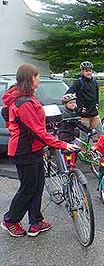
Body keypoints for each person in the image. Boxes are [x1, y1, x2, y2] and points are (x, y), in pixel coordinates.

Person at [1, 64, 77, 238]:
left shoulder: (27, 96)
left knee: (38, 186)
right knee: (27, 188)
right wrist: (62, 145)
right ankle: (10, 220)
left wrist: (43, 146)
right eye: (37, 76)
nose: (40, 79)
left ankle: (36, 222)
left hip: (33, 148)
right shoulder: (23, 102)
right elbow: (38, 131)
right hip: (23, 151)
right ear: (30, 79)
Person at [65, 61, 103, 135]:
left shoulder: (94, 81)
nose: (88, 73)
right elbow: (67, 96)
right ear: (82, 72)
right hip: (84, 116)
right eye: (86, 71)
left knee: (100, 135)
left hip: (94, 114)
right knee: (84, 138)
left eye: (90, 71)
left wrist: (97, 104)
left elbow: (96, 94)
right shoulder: (79, 82)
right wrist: (77, 109)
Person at [58, 93, 93, 169]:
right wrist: (89, 130)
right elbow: (79, 124)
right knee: (70, 153)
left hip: (70, 136)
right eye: (70, 103)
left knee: (73, 152)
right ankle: (67, 167)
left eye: (74, 102)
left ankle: (69, 166)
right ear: (65, 104)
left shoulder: (73, 112)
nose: (73, 104)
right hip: (65, 137)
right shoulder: (67, 114)